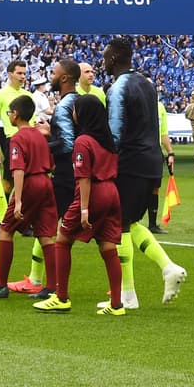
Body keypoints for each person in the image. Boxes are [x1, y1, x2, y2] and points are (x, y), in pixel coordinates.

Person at [104, 36, 187, 308]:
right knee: (130, 223)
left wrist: (104, 165)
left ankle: (127, 295)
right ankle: (168, 267)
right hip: (152, 162)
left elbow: (114, 134)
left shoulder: (118, 87)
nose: (103, 62)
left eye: (105, 57)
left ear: (113, 58)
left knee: (118, 225)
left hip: (131, 163)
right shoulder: (147, 84)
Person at [35, 93, 125, 315]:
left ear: (83, 113)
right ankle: (116, 304)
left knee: (63, 239)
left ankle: (61, 297)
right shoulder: (108, 141)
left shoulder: (83, 142)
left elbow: (84, 177)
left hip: (93, 193)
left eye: (75, 110)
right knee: (107, 245)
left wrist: (84, 209)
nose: (73, 113)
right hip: (112, 192)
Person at [10, 58, 80, 297]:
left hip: (65, 176)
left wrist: (40, 146)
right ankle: (122, 289)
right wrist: (51, 133)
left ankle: (48, 285)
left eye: (54, 73)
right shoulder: (77, 101)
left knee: (46, 229)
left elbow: (67, 145)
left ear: (64, 78)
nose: (51, 77)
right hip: (78, 173)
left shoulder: (64, 106)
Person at [0, 95, 57, 299]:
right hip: (46, 182)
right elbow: (52, 163)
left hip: (31, 184)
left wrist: (19, 200)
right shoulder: (40, 135)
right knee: (45, 236)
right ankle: (52, 287)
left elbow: (19, 169)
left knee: (5, 230)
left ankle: (0, 285)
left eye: (9, 112)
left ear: (15, 114)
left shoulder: (17, 138)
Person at [0, 60, 32, 233]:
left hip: (29, 141)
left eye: (24, 73)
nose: (22, 76)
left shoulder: (28, 95)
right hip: (11, 141)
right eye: (19, 73)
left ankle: (25, 224)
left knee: (29, 183)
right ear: (10, 73)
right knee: (7, 184)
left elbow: (32, 122)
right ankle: (0, 224)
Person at [148, 97, 176, 233]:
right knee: (137, 187)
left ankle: (152, 224)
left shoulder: (160, 107)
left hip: (155, 152)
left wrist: (170, 152)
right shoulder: (135, 103)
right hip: (138, 151)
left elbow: (163, 133)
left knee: (155, 188)